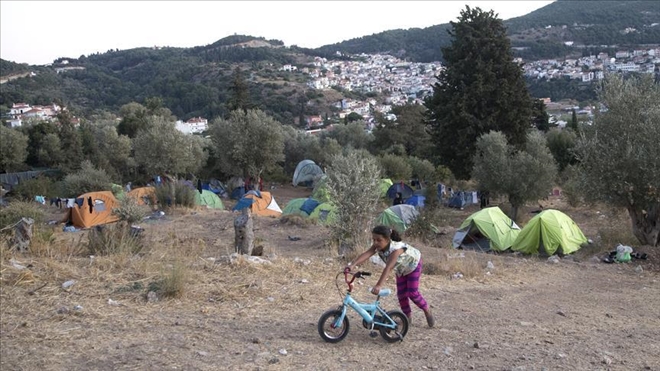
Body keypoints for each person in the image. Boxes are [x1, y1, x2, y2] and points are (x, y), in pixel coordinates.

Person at [345, 225, 434, 328]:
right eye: (373, 239)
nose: (375, 243)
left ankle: (427, 309)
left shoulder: (396, 249)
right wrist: (353, 264)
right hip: (401, 268)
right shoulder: (378, 245)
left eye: (379, 240)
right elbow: (367, 253)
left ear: (387, 239)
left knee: (412, 293)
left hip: (413, 265)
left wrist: (378, 285)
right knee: (401, 295)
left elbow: (389, 267)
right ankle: (406, 318)